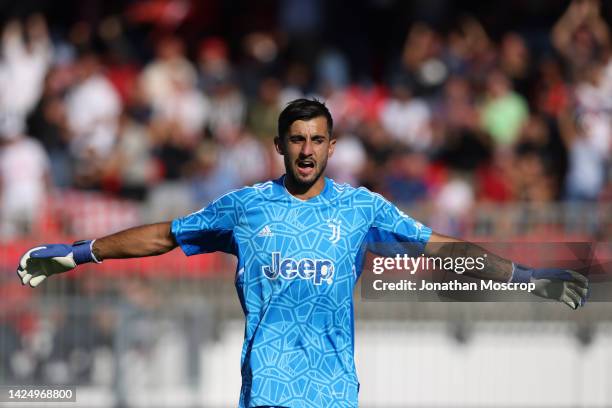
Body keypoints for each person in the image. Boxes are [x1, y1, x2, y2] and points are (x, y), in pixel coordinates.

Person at [17, 99, 589, 407]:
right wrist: (79, 252)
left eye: (318, 139)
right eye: (297, 138)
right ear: (280, 145)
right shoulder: (245, 207)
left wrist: (527, 277)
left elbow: (446, 248)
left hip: (335, 391)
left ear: (333, 146)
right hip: (268, 389)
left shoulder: (362, 209)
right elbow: (165, 234)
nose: (307, 149)